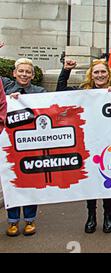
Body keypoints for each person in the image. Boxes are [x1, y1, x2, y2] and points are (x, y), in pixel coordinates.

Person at [56, 58, 111, 233]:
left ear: (108, 74)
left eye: (103, 72)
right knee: (90, 180)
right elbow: (61, 91)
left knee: (107, 179)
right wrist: (65, 71)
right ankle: (91, 216)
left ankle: (108, 216)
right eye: (96, 72)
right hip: (88, 143)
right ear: (91, 75)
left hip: (108, 142)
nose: (100, 75)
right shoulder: (83, 92)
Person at [2, 58, 47, 236]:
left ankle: (30, 220)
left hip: (31, 144)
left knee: (30, 181)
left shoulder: (40, 92)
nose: (24, 74)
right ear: (14, 73)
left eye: (28, 72)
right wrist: (8, 99)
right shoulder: (5, 90)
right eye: (21, 71)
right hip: (9, 145)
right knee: (11, 181)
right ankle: (12, 221)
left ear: (33, 75)